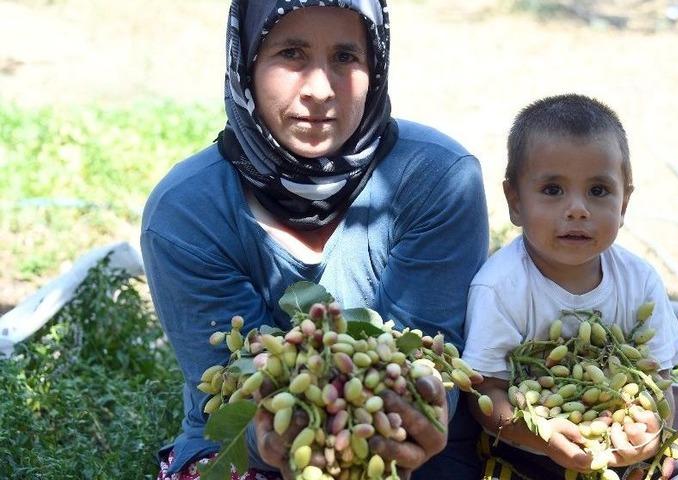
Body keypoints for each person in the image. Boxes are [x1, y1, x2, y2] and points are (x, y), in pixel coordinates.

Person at [140, 1, 488, 479]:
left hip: (417, 451)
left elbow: (427, 364)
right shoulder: (187, 214)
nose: (321, 91)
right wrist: (293, 442)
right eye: (291, 54)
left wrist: (393, 429)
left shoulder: (438, 180)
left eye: (346, 57)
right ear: (247, 63)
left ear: (377, 64)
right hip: (250, 453)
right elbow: (232, 401)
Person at [461, 94, 678, 479]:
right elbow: (486, 395)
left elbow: (659, 382)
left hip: (621, 448)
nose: (577, 209)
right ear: (515, 201)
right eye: (553, 190)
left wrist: (651, 436)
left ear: (624, 204)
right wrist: (545, 437)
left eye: (598, 191)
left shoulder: (640, 282)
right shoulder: (500, 287)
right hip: (531, 456)